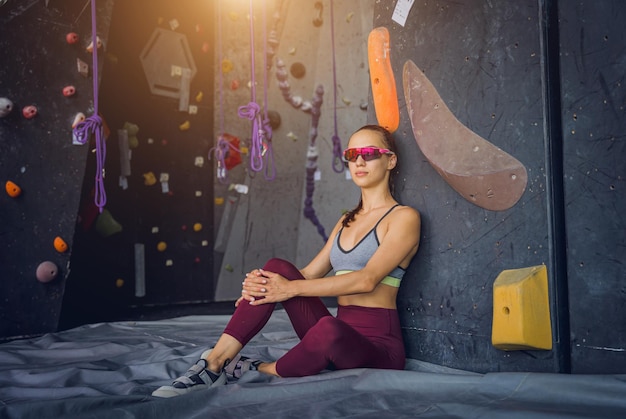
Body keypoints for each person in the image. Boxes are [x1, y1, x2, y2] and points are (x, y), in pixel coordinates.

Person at [152, 124, 421, 397]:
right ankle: (213, 364)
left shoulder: (404, 218)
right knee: (276, 268)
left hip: (378, 348)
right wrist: (262, 288)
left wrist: (287, 289)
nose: (359, 161)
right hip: (337, 331)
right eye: (352, 154)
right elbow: (306, 274)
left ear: (391, 159)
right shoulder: (346, 221)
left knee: (328, 328)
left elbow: (367, 280)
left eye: (370, 153)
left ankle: (260, 368)